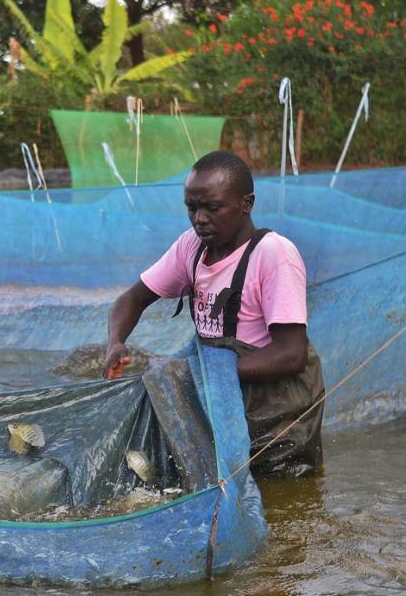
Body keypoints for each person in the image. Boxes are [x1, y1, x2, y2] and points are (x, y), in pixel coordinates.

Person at [103, 150, 325, 476]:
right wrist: (115, 341)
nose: (199, 219)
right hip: (220, 391)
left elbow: (291, 354)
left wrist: (204, 376)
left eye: (212, 208)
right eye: (191, 208)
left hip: (275, 405)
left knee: (282, 495)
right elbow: (132, 299)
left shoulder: (273, 255)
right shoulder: (191, 248)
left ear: (246, 203)